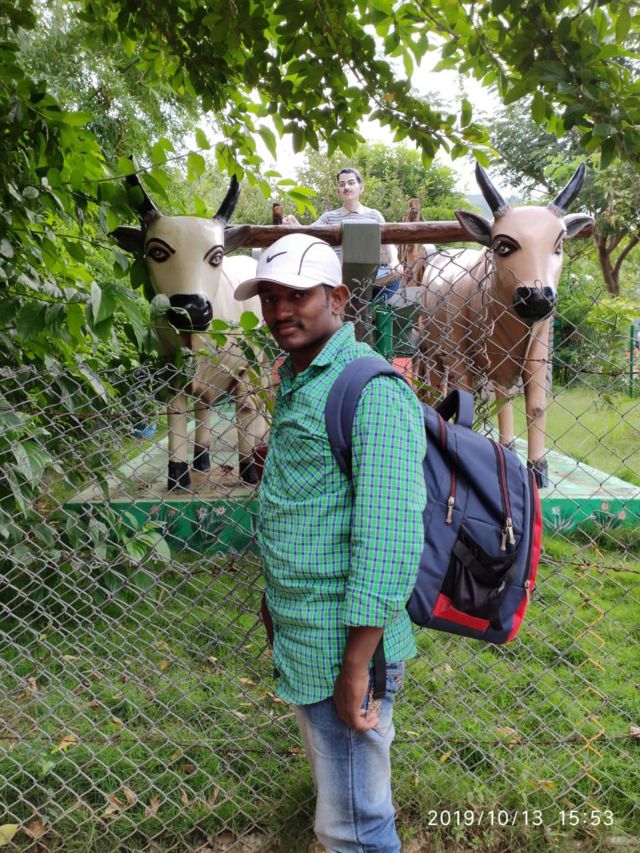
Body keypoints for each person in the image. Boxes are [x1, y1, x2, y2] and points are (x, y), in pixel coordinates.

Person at [234, 233, 427, 853]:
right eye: (270, 297)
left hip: (344, 644)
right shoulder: (300, 378)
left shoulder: (371, 389)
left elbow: (389, 540)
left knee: (354, 828)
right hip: (305, 632)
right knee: (340, 800)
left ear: (338, 298)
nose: (280, 310)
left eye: (298, 295)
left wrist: (356, 665)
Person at [284, 167, 404, 300]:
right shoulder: (328, 217)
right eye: (342, 184)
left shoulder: (374, 215)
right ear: (338, 192)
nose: (346, 187)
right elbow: (308, 234)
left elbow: (388, 242)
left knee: (395, 277)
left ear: (361, 188)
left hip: (369, 276)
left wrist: (394, 260)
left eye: (351, 183)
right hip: (336, 276)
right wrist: (295, 224)